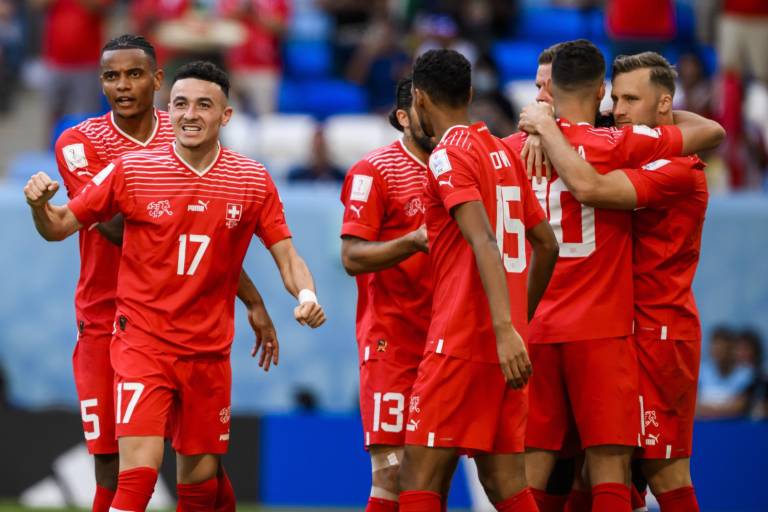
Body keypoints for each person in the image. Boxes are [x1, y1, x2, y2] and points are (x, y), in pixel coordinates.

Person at [24, 60, 326, 511]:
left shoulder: (251, 179)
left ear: (225, 116)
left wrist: (306, 297)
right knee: (137, 478)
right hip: (142, 344)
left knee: (201, 488)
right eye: (180, 104)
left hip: (208, 352)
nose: (189, 114)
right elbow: (61, 224)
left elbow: (287, 254)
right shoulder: (131, 170)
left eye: (204, 105)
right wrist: (38, 207)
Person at [506, 40, 723, 512]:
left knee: (663, 471)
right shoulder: (621, 147)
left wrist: (545, 125)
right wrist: (548, 126)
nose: (617, 111)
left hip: (657, 330)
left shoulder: (676, 168)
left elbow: (591, 186)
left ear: (665, 103)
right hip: (612, 329)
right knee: (596, 468)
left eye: (630, 100)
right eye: (614, 99)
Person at [398, 48, 559, 512]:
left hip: (462, 339)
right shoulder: (501, 152)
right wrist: (516, 323)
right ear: (469, 94)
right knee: (504, 478)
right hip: (504, 344)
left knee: (419, 473)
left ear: (420, 99)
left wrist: (506, 329)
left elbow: (485, 242)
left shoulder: (447, 155)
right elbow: (546, 244)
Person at [340, 76, 432, 511]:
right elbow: (352, 256)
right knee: (392, 471)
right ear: (403, 117)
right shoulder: (375, 171)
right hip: (392, 340)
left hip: (451, 343)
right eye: (426, 107)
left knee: (431, 473)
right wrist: (411, 241)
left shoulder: (463, 167)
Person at [697, 327, 755, 419]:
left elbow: (740, 407)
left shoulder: (745, 374)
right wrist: (725, 409)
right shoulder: (701, 371)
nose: (719, 353)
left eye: (722, 349)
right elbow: (694, 407)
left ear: (731, 349)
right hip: (704, 428)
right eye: (715, 348)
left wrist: (708, 411)